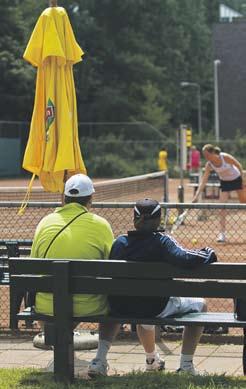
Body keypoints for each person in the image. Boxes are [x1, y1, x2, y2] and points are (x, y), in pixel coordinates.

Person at [96, 198, 216, 376]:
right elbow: (186, 258)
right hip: (155, 307)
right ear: (158, 219)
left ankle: (103, 360)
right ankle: (186, 366)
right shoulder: (163, 242)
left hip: (121, 307)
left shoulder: (120, 242)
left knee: (134, 305)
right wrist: (208, 252)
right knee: (201, 305)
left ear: (134, 219)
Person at [30, 174, 118, 377]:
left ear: (64, 198)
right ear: (90, 200)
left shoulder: (45, 222)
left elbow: (34, 264)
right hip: (90, 304)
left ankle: (59, 354)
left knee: (56, 298)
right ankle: (100, 359)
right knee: (115, 304)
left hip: (48, 304)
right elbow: (110, 265)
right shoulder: (101, 225)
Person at [192, 144, 245, 243]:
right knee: (222, 207)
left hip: (237, 179)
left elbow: (238, 165)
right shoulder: (209, 165)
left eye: (207, 155)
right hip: (225, 182)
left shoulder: (224, 157)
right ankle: (222, 234)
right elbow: (203, 181)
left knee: (244, 203)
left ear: (212, 153)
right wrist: (196, 196)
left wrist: (243, 181)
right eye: (205, 155)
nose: (206, 157)